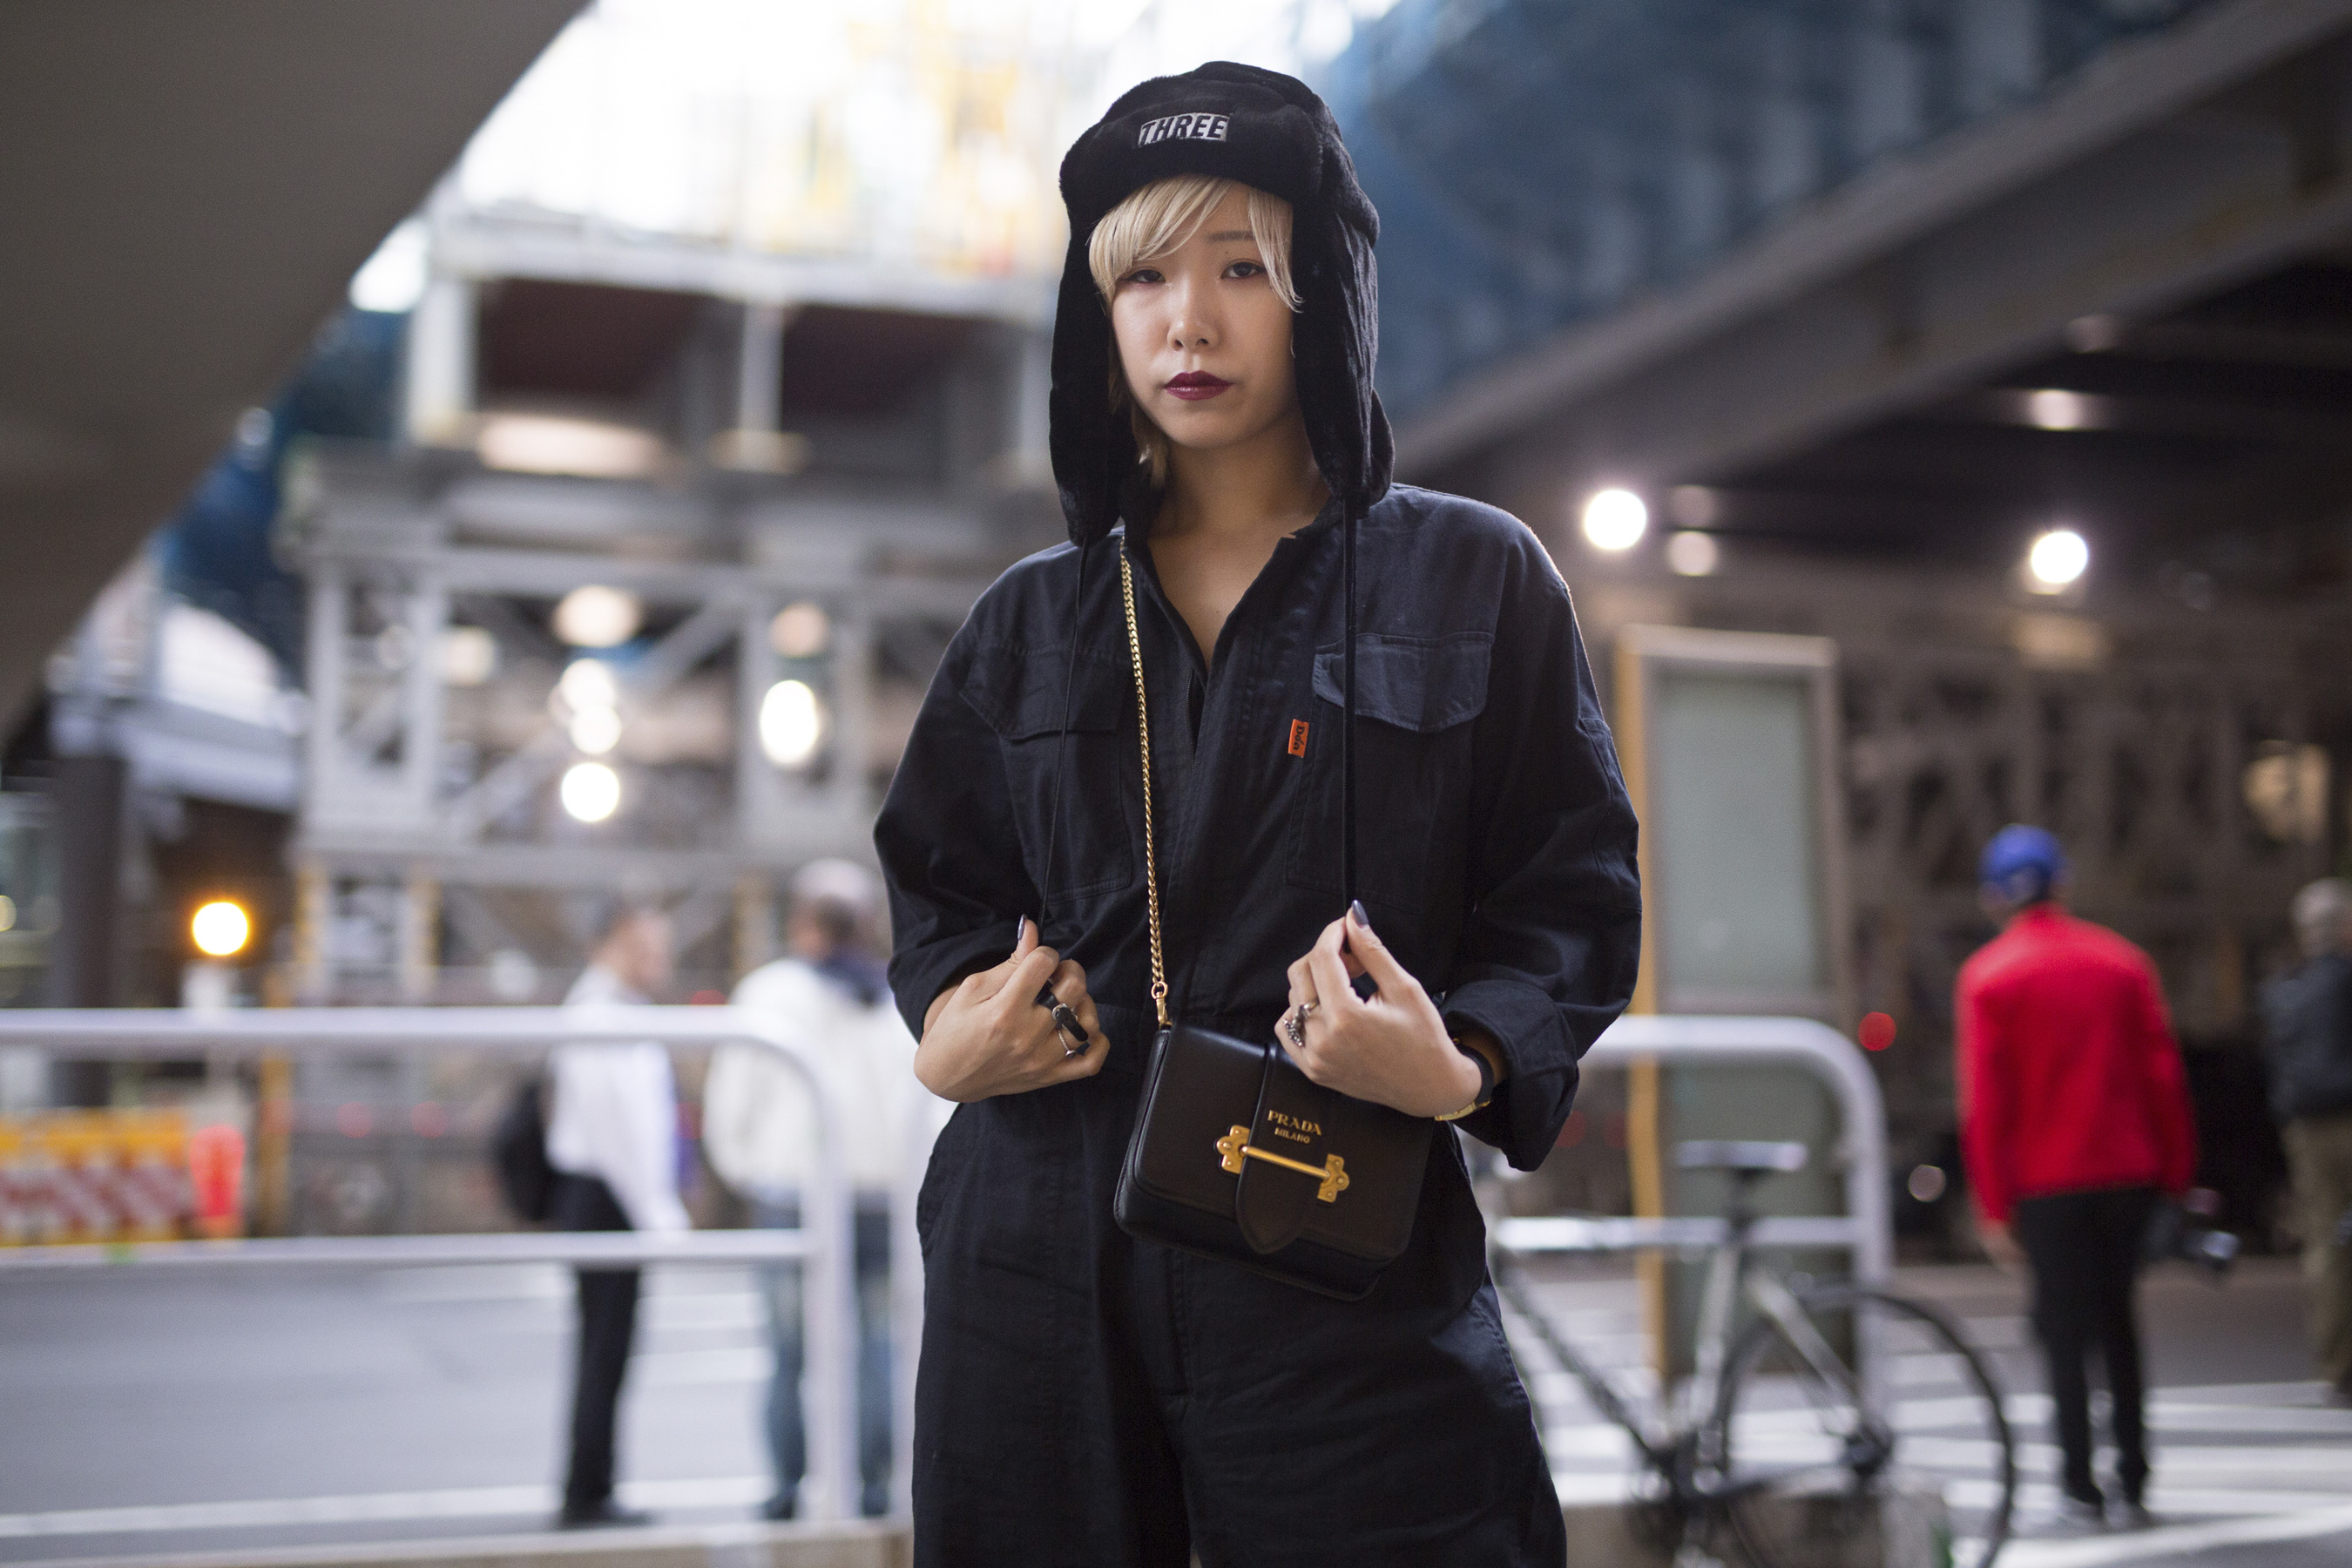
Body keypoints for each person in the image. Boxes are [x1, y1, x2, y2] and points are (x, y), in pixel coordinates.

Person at [872, 63, 1641, 1565]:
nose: (1188, 321)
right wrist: (947, 1038)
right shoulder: (1028, 622)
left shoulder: (1473, 579)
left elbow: (1570, 893)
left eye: (1240, 269)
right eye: (1143, 277)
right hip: (1038, 1257)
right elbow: (940, 896)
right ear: (1097, 317)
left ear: (1325, 298)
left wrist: (1464, 1062)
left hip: (1333, 1231)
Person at [1957, 826, 2196, 1528]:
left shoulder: (1989, 977)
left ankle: (2079, 1483)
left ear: (1995, 897)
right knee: (2120, 1320)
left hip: (2045, 1182)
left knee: (2063, 1328)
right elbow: (2164, 1079)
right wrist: (2175, 1178)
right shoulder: (2123, 964)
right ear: (2061, 883)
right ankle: (2135, 1475)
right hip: (2126, 1171)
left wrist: (1993, 1207)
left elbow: (1986, 1106)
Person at [706, 859, 923, 1519]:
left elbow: (730, 1105)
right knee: (878, 1348)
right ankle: (874, 1489)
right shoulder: (897, 995)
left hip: (791, 1197)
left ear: (801, 921)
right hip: (880, 1198)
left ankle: (786, 1489)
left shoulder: (769, 994)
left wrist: (748, 1170)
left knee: (788, 1352)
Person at [546, 902, 690, 1529]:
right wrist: (657, 1213)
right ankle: (588, 1491)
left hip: (612, 1195)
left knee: (608, 1349)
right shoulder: (596, 1011)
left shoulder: (616, 1008)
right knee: (603, 1349)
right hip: (605, 1195)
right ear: (615, 943)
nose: (659, 960)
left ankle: (594, 1485)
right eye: (648, 947)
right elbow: (616, 1129)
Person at [2261, 877, 2352, 1406]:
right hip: (2347, 1114)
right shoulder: (2346, 980)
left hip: (2307, 1129)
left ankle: (2335, 1361)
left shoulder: (2286, 988)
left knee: (2325, 1241)